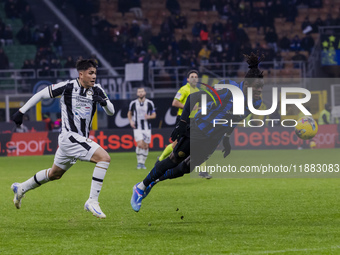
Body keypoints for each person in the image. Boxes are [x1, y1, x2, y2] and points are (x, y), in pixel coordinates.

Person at [130, 52, 264, 212]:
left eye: (261, 88)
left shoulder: (256, 102)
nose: (259, 91)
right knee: (173, 160)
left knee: (186, 169)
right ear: (248, 84)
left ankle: (153, 181)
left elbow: (234, 119)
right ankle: (140, 187)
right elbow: (193, 99)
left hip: (214, 139)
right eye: (257, 88)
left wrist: (227, 138)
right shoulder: (228, 89)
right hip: (199, 129)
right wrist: (182, 124)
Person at [10, 59, 115, 219]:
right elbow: (41, 94)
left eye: (95, 73)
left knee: (54, 174)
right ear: (81, 74)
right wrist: (21, 111)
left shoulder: (97, 89)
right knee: (104, 158)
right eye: (90, 73)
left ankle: (22, 188)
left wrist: (104, 103)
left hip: (76, 140)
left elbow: (111, 112)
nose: (94, 76)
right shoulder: (68, 87)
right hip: (69, 137)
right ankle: (92, 201)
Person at [157, 69, 211, 178]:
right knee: (175, 145)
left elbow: (196, 107)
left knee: (200, 145)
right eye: (192, 77)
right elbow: (175, 102)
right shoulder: (184, 89)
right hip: (183, 120)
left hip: (195, 121)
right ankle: (160, 159)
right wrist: (188, 106)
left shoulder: (198, 90)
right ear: (187, 79)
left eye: (196, 77)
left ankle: (203, 171)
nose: (194, 78)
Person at [128, 87, 156, 169]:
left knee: (146, 146)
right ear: (137, 93)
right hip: (137, 127)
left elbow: (154, 115)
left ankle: (143, 162)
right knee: (140, 144)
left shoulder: (150, 103)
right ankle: (139, 162)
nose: (140, 93)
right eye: (139, 92)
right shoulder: (133, 103)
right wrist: (131, 121)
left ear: (145, 93)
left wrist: (149, 117)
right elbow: (129, 113)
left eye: (142, 91)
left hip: (147, 127)